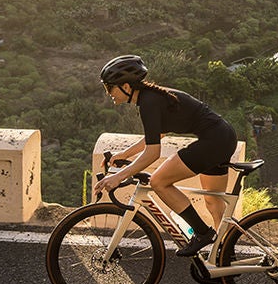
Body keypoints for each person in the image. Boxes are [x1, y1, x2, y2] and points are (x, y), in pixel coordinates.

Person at [94, 54, 235, 257]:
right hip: (222, 137)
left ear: (125, 86)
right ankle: (225, 257)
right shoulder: (151, 98)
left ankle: (203, 233)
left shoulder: (149, 102)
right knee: (214, 203)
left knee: (159, 181)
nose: (109, 93)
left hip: (214, 141)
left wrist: (118, 176)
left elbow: (153, 152)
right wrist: (124, 154)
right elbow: (155, 136)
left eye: (110, 88)